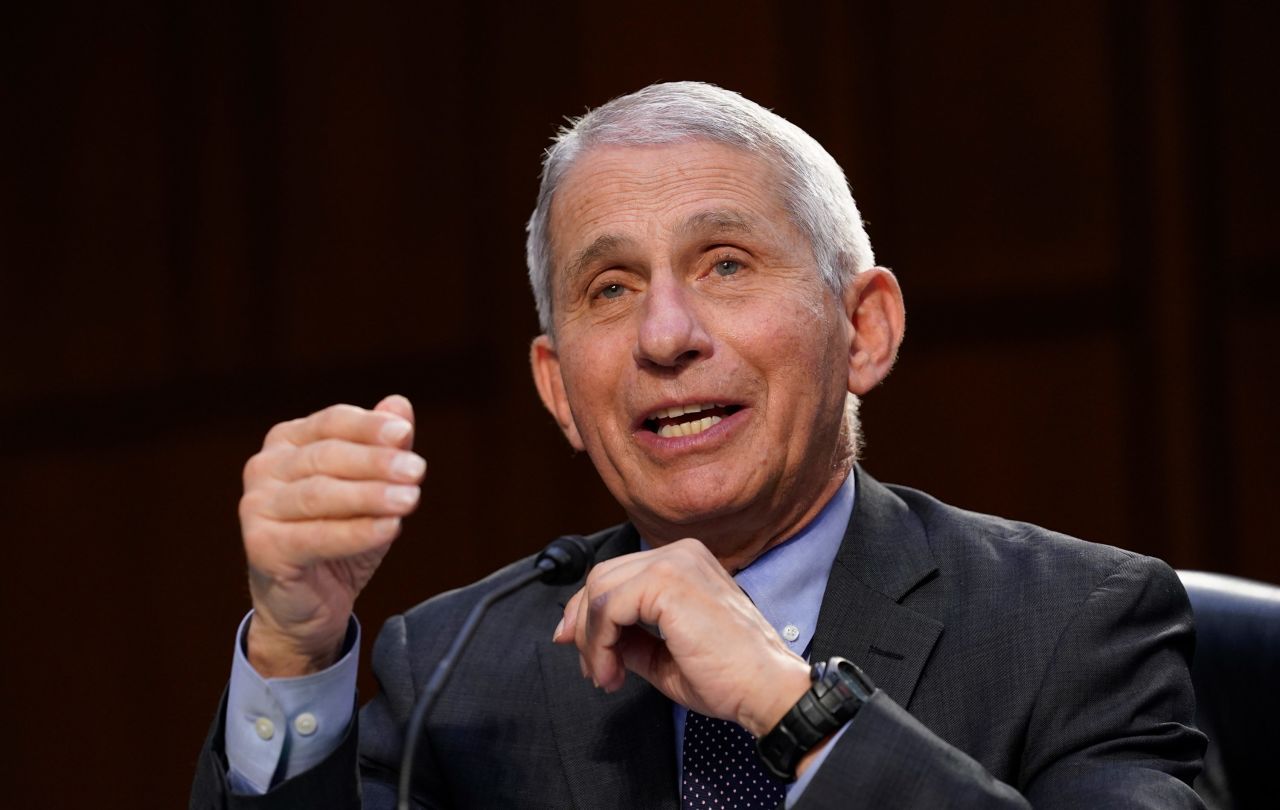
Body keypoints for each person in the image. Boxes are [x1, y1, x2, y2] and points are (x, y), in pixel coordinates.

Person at [191, 82, 1206, 809]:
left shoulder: (1075, 626)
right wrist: (294, 649)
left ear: (864, 329)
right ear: (558, 389)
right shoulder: (458, 673)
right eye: (611, 288)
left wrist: (789, 707)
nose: (665, 335)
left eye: (724, 265)